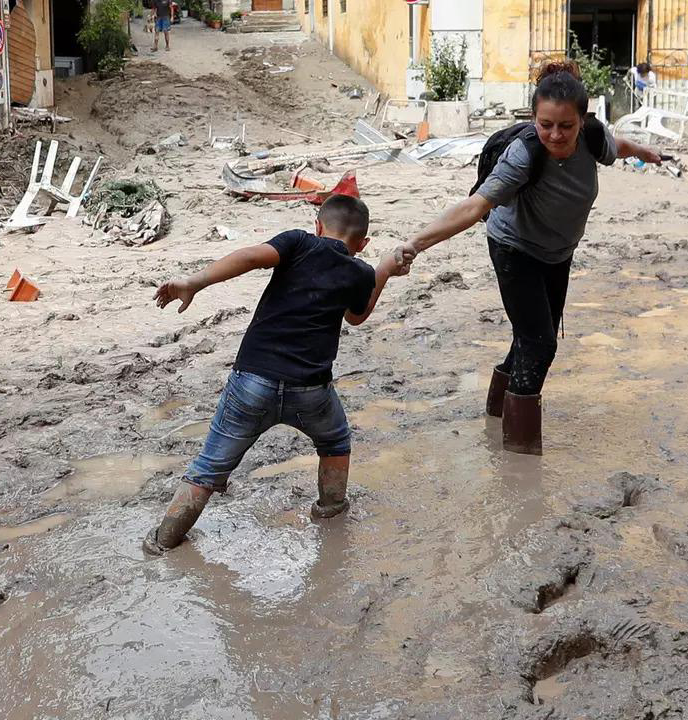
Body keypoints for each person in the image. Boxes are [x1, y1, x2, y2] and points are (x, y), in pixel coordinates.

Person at [395, 61, 661, 456]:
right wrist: (415, 243)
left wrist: (644, 150)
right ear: (533, 117)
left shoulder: (594, 138)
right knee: (540, 343)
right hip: (513, 248)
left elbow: (617, 147)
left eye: (565, 126)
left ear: (582, 121)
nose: (555, 134)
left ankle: (497, 413)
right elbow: (475, 206)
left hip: (557, 253)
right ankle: (519, 457)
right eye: (545, 124)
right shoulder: (523, 155)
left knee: (532, 335)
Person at [143, 195, 411, 555]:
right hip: (312, 391)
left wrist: (195, 282)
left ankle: (163, 541)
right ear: (362, 244)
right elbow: (356, 316)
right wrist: (383, 271)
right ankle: (331, 509)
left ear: (318, 225)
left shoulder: (298, 242)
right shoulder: (360, 271)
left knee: (209, 466)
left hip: (252, 382)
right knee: (335, 443)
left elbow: (252, 257)